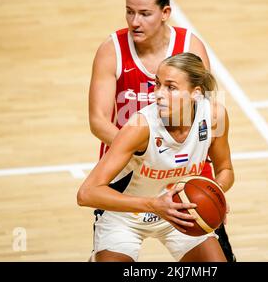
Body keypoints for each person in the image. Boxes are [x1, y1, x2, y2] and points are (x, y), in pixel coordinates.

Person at [88, 0, 235, 261]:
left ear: (165, 13)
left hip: (179, 181)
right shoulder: (112, 50)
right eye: (129, 12)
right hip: (129, 171)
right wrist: (144, 147)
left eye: (144, 13)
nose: (134, 21)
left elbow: (201, 121)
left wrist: (210, 192)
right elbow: (97, 121)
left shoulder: (190, 47)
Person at [78, 53, 234, 262]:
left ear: (195, 93)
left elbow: (226, 170)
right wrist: (153, 205)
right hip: (125, 215)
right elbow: (86, 194)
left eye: (170, 87)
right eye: (157, 84)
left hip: (180, 212)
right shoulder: (140, 127)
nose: (158, 94)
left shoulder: (214, 116)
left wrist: (215, 194)